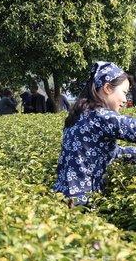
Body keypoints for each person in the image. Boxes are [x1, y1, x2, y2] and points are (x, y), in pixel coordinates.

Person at [53, 61, 136, 206]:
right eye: (124, 93)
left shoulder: (80, 114)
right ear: (107, 88)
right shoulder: (101, 116)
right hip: (82, 201)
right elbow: (132, 128)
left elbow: (110, 152)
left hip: (61, 196)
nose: (125, 100)